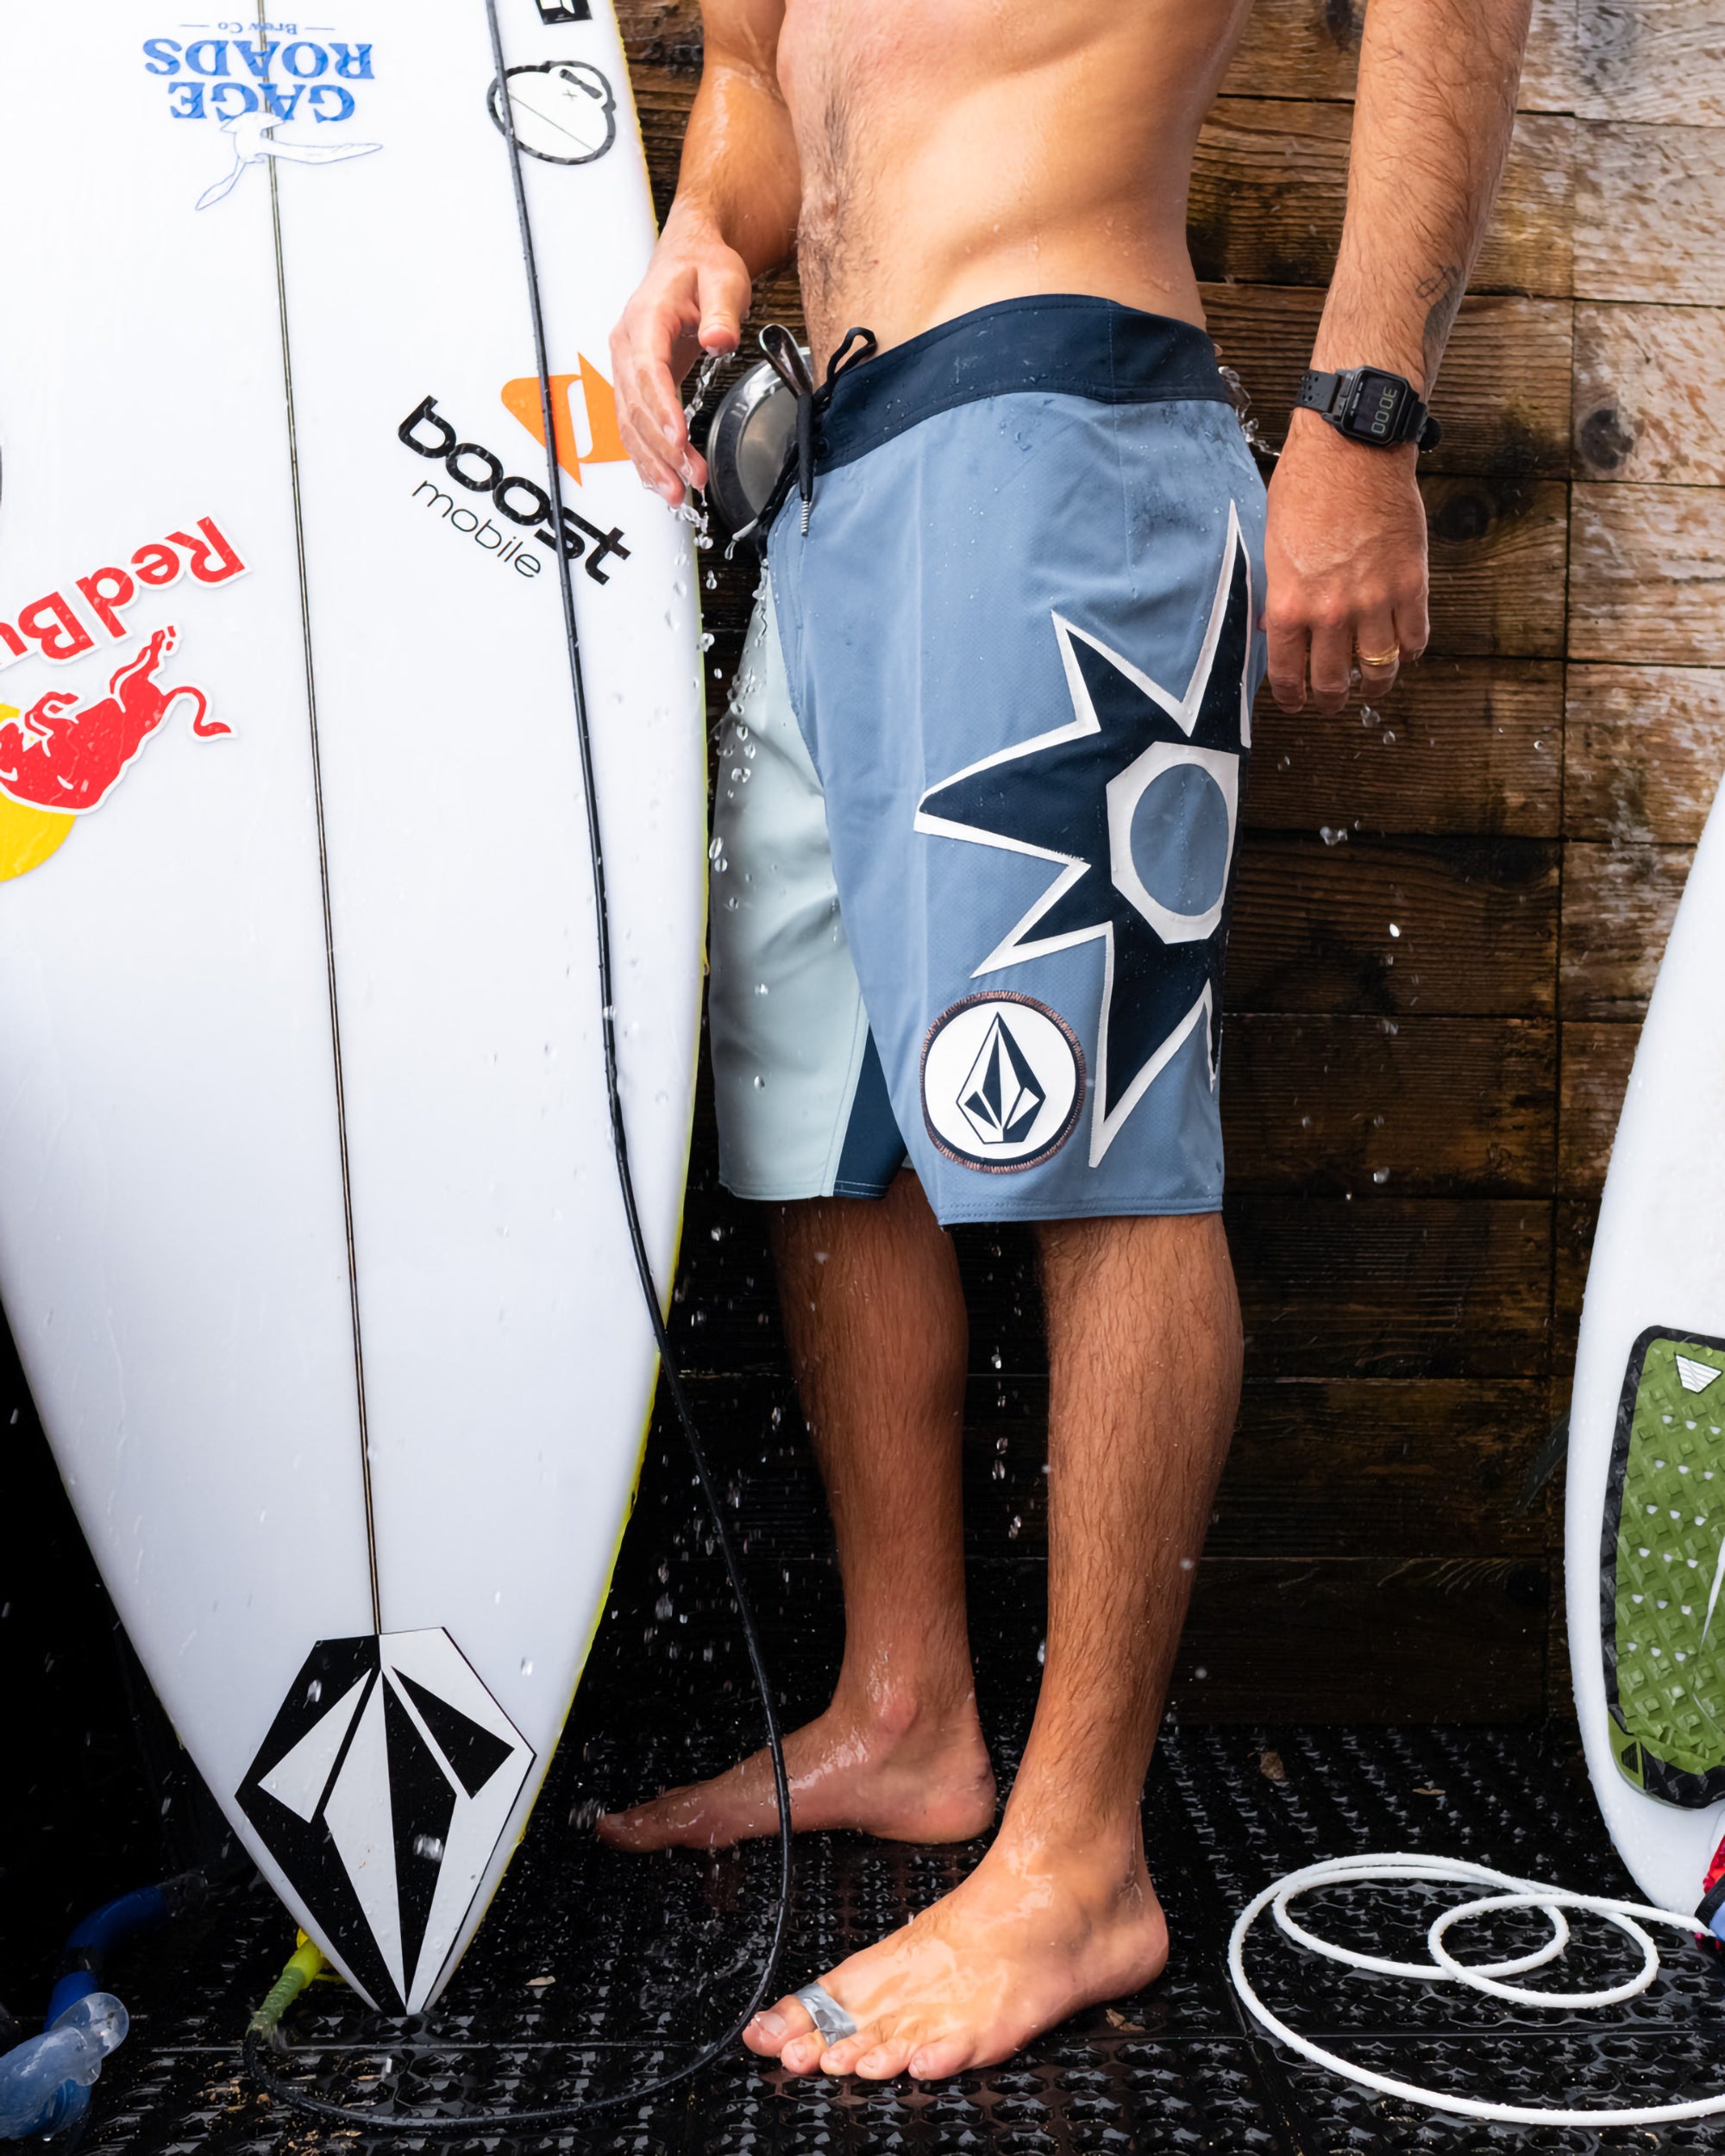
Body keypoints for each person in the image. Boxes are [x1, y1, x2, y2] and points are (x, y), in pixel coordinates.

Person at [599, 0, 1532, 2084]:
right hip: (826, 458)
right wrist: (701, 222)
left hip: (1054, 422)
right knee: (819, 1127)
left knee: (1093, 1134)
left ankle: (1083, 1852)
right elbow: (763, 78)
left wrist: (1363, 413)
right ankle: (905, 1709)